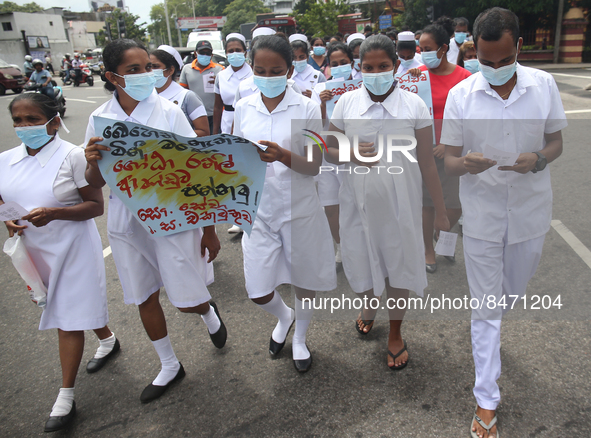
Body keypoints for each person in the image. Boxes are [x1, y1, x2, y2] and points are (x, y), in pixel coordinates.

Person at [441, 8, 567, 438]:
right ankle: (486, 400)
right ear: (474, 50)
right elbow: (449, 159)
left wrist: (539, 160)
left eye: (504, 60)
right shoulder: (462, 94)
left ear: (518, 48)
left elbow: (556, 142)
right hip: (482, 215)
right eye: (486, 61)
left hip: (530, 211)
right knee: (486, 307)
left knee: (512, 291)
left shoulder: (543, 85)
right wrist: (466, 164)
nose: (495, 69)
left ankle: (489, 338)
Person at [84, 38, 227, 404]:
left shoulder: (169, 111)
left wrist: (209, 230)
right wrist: (91, 160)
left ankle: (206, 310)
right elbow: (96, 182)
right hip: (126, 222)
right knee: (143, 294)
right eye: (133, 70)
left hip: (172, 216)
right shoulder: (100, 119)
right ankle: (169, 364)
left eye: (147, 66)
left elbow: (197, 171)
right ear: (112, 76)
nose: (145, 74)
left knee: (184, 300)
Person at [324, 34, 449, 368]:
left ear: (395, 65)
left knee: (398, 269)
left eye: (383, 66)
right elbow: (327, 149)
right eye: (368, 67)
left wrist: (439, 210)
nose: (376, 72)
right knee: (360, 261)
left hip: (400, 209)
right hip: (357, 205)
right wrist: (351, 152)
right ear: (358, 67)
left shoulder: (414, 105)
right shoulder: (347, 102)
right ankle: (369, 305)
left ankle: (395, 331)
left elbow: (427, 163)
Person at [0, 93, 119, 432]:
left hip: (73, 248)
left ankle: (65, 396)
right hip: (34, 252)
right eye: (18, 121)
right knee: (67, 305)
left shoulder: (73, 156)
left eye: (32, 120)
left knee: (67, 317)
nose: (24, 127)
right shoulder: (5, 159)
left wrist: (56, 213)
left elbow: (95, 205)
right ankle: (108, 338)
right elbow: (4, 197)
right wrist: (7, 219)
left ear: (53, 121)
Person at [233, 35, 337, 373]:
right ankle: (284, 316)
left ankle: (300, 338)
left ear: (290, 69)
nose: (267, 75)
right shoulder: (243, 105)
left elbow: (315, 163)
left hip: (300, 208)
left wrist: (282, 155)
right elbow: (234, 159)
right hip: (259, 211)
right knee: (257, 289)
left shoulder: (306, 106)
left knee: (304, 281)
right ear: (252, 69)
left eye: (275, 70)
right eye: (260, 69)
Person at [415, 16, 471, 273]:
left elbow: (470, 117)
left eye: (427, 49)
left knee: (454, 206)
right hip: (424, 152)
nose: (422, 54)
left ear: (443, 49)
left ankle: (442, 237)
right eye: (420, 49)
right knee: (428, 204)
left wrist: (448, 145)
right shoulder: (416, 77)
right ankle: (428, 250)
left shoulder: (465, 77)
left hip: (454, 152)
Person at [150, 45, 210, 137]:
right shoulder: (147, 96)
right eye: (148, 67)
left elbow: (204, 132)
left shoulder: (188, 97)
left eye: (155, 66)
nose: (151, 71)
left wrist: (171, 136)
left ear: (170, 70)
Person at [179, 40, 224, 134]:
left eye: (208, 53)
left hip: (214, 115)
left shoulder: (220, 69)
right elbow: (182, 92)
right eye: (202, 53)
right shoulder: (186, 69)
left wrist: (219, 82)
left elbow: (225, 92)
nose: (205, 55)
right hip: (194, 115)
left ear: (212, 55)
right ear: (196, 53)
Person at [213, 33, 252, 135]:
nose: (234, 53)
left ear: (245, 53)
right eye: (231, 51)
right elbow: (217, 106)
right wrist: (214, 133)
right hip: (227, 123)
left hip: (249, 120)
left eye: (238, 50)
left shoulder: (254, 74)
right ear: (226, 54)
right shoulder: (221, 76)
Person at [289, 33, 327, 99]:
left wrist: (314, 96)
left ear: (308, 57)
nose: (298, 60)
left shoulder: (318, 76)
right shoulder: (287, 76)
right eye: (294, 58)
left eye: (301, 57)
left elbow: (326, 99)